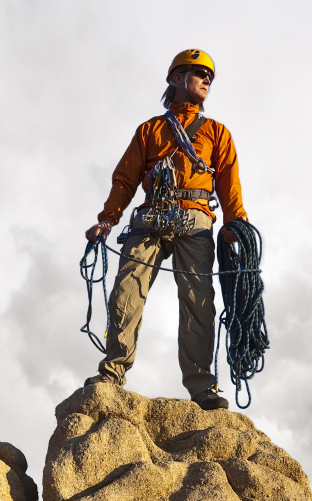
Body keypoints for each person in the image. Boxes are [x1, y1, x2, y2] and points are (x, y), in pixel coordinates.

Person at [84, 49, 249, 410]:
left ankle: (203, 387)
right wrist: (107, 219)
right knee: (126, 292)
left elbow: (228, 184)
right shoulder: (150, 130)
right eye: (199, 72)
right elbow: (125, 180)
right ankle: (112, 372)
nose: (207, 79)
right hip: (152, 217)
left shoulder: (218, 133)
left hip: (196, 220)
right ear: (176, 78)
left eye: (211, 76)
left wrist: (236, 221)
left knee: (199, 304)